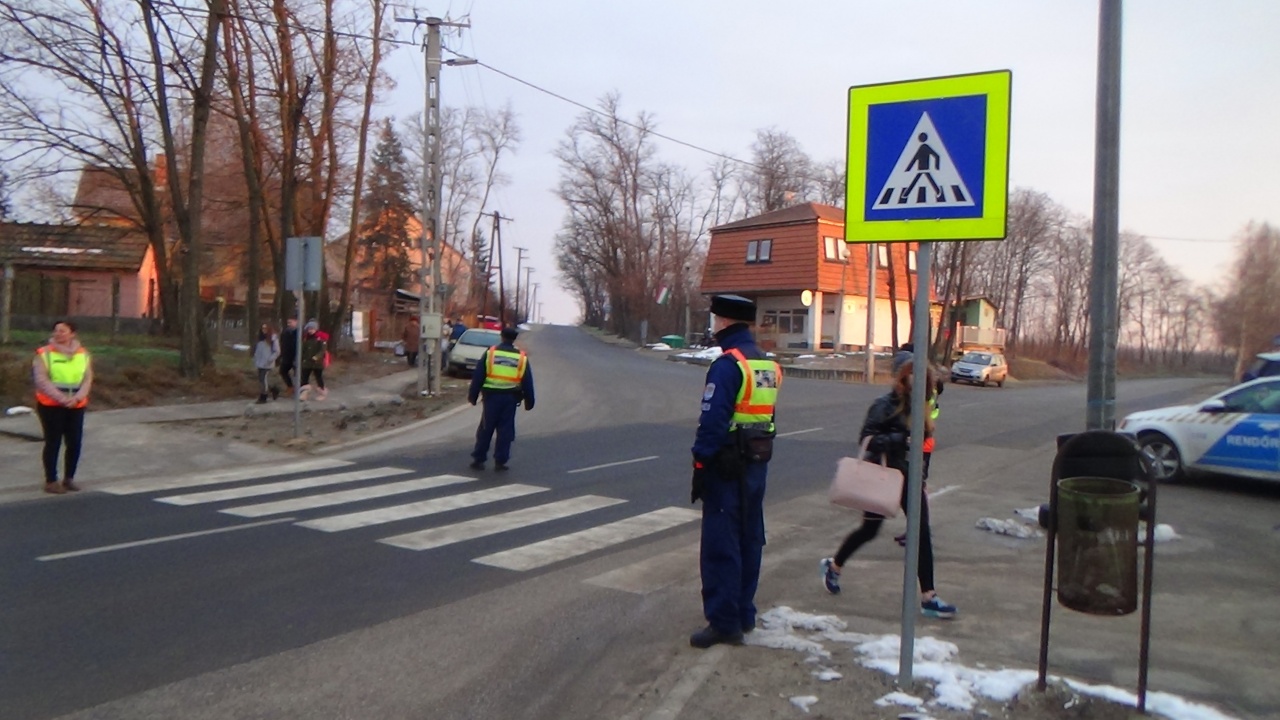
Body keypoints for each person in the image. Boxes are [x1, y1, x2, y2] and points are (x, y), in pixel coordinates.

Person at [819, 360, 958, 620]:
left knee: (921, 534)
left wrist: (922, 473)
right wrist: (900, 439)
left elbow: (923, 449)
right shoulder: (884, 404)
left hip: (911, 478)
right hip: (884, 476)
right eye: (915, 381)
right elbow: (867, 438)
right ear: (904, 380)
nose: (921, 388)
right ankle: (834, 566)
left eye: (925, 384)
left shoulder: (923, 408)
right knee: (869, 530)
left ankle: (929, 596)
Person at [688, 294, 782, 649]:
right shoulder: (767, 365)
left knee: (721, 544)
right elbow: (768, 418)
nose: (713, 325)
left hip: (726, 466)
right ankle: (744, 612)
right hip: (756, 463)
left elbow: (712, 422)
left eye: (715, 319)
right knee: (749, 538)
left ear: (724, 322)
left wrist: (700, 463)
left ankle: (724, 622)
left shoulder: (729, 365)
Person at [32, 320, 93, 494]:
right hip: (50, 404)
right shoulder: (44, 354)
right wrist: (62, 399)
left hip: (77, 404)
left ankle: (69, 478)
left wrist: (77, 398)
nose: (58, 334)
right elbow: (41, 380)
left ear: (72, 334)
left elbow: (87, 378)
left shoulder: (83, 354)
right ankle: (51, 480)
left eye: (63, 331)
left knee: (74, 442)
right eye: (56, 330)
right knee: (53, 442)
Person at [467, 326, 535, 471]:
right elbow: (527, 380)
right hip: (510, 398)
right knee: (505, 430)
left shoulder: (491, 353)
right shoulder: (521, 357)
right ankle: (501, 460)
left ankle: (479, 458)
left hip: (491, 397)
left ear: (502, 337)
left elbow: (478, 376)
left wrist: (473, 395)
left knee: (486, 428)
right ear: (514, 339)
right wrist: (530, 401)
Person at [298, 320, 329, 401]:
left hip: (317, 363)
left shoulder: (321, 339)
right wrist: (301, 358)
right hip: (307, 362)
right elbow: (303, 349)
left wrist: (317, 357)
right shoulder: (306, 339)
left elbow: (322, 350)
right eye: (309, 329)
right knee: (304, 378)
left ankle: (322, 392)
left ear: (315, 329)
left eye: (312, 329)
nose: (310, 331)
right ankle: (304, 393)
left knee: (319, 377)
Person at [253, 323, 281, 404]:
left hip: (267, 363)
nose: (264, 330)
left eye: (265, 328)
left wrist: (270, 359)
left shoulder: (273, 339)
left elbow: (277, 351)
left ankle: (263, 396)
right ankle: (274, 389)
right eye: (262, 328)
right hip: (260, 362)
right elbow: (257, 351)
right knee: (261, 379)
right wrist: (255, 360)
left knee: (263, 379)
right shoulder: (260, 340)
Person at [279, 317, 299, 396]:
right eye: (288, 323)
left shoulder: (299, 332)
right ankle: (290, 387)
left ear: (296, 322)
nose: (289, 324)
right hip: (287, 356)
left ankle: (299, 390)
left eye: (291, 322)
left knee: (297, 374)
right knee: (283, 371)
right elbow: (282, 344)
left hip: (296, 356)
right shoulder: (285, 332)